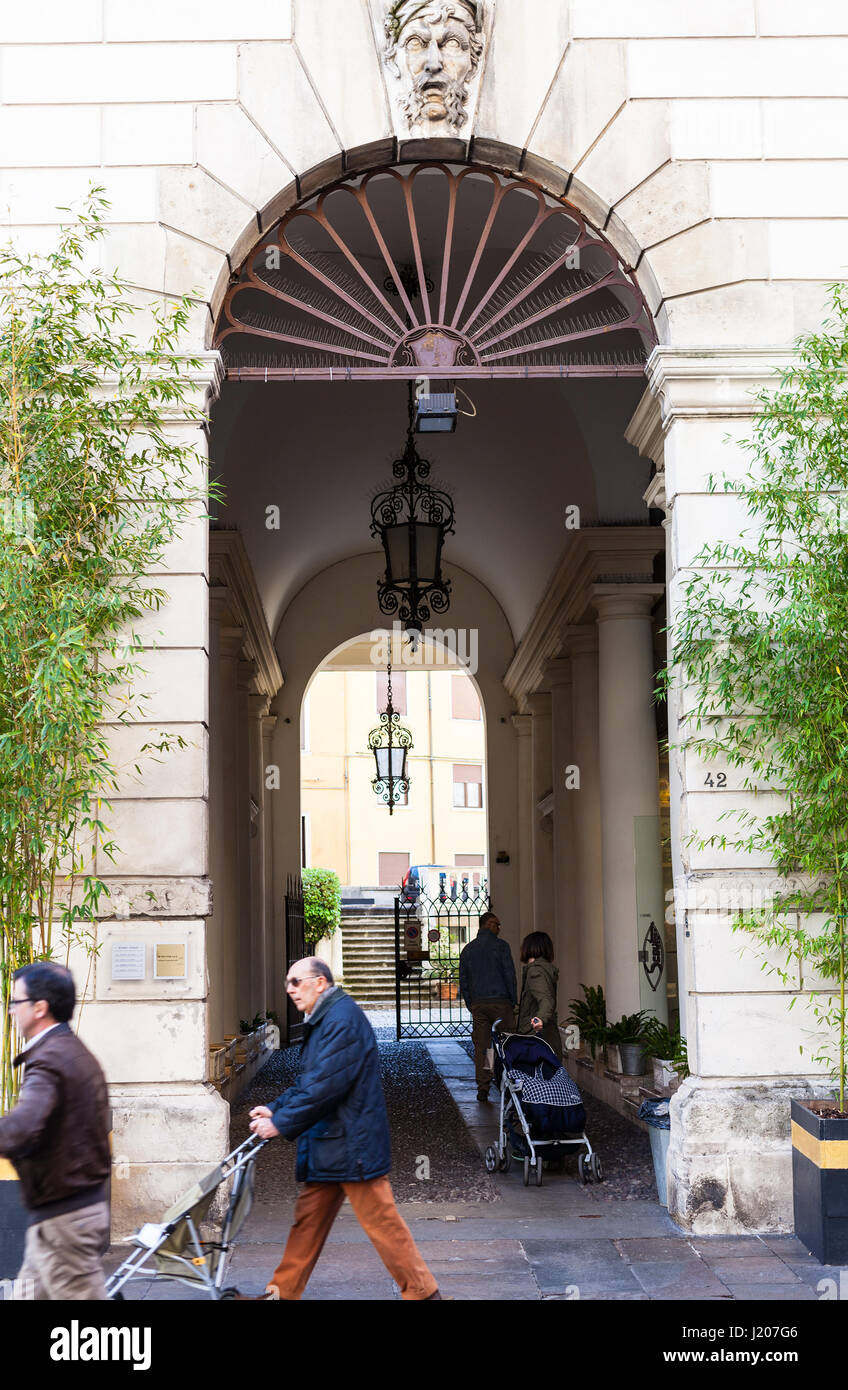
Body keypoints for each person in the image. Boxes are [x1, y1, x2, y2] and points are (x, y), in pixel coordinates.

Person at [247, 957, 442, 1301]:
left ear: (320, 983)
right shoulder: (326, 1019)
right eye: (287, 983)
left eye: (296, 982)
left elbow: (326, 1086)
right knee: (307, 1223)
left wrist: (280, 1123)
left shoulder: (341, 1021)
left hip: (353, 1145)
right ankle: (282, 1292)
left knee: (383, 1225)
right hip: (332, 1144)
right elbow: (311, 1081)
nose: (289, 989)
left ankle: (424, 1294)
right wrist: (276, 1107)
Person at [0, 962, 111, 1300]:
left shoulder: (50, 1060)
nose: (10, 1011)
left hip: (66, 1219)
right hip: (59, 1216)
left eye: (15, 1002)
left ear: (39, 1008)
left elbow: (21, 1127)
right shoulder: (67, 1051)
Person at [458, 910, 517, 1102]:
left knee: (484, 1046)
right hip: (501, 1003)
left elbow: (464, 980)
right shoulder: (502, 947)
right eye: (497, 924)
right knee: (506, 1043)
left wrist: (471, 1003)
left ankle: (483, 1085)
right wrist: (513, 1000)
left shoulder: (468, 949)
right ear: (488, 924)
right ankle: (508, 1081)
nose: (499, 928)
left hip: (480, 1005)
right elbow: (509, 975)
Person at [516, 931, 562, 1060]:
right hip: (543, 1037)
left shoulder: (535, 971)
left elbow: (546, 999)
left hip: (535, 1037)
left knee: (536, 1077)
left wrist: (540, 1019)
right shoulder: (541, 969)